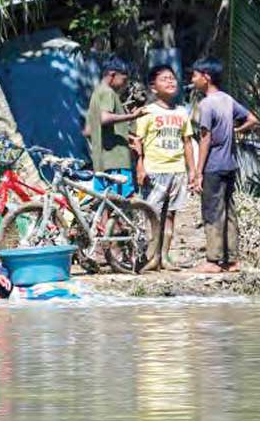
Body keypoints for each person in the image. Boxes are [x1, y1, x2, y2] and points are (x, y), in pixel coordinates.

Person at [189, 58, 259, 273]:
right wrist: (236, 132)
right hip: (230, 164)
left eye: (195, 75)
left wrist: (198, 172)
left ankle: (213, 260)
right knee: (229, 211)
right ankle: (232, 260)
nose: (192, 80)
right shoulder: (227, 100)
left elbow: (205, 139)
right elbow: (253, 119)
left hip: (213, 166)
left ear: (206, 77)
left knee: (211, 211)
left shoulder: (206, 104)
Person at [134, 65, 196, 271]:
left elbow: (187, 142)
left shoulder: (181, 112)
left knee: (171, 214)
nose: (170, 82)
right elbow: (138, 142)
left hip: (177, 170)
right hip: (154, 170)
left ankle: (165, 257)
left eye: (172, 79)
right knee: (152, 213)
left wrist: (192, 170)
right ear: (153, 87)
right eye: (164, 79)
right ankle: (150, 257)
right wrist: (140, 166)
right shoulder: (147, 112)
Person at [86, 57, 146, 197]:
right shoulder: (107, 92)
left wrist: (129, 137)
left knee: (104, 203)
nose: (125, 85)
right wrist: (132, 117)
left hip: (102, 160)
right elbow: (104, 118)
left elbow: (94, 128)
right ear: (112, 75)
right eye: (124, 80)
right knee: (124, 201)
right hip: (115, 160)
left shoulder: (98, 92)